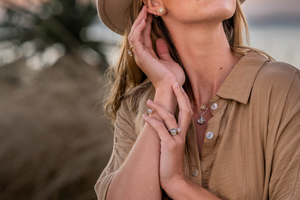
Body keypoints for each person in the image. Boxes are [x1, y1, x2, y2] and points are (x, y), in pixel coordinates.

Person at [95, 0, 300, 199]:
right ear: (155, 3)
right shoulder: (135, 107)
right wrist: (166, 90)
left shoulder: (285, 89)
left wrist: (176, 183)